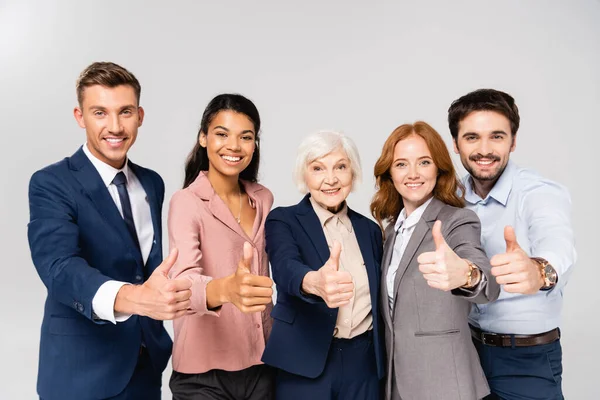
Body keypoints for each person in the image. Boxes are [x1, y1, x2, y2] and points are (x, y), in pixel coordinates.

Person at [27, 62, 192, 400]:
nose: (115, 126)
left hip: (144, 366)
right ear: (80, 116)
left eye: (125, 112)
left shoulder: (152, 183)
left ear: (140, 115)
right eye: (100, 112)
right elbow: (59, 268)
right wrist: (136, 299)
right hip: (81, 373)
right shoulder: (52, 183)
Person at [448, 89, 576, 400]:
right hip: (465, 354)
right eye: (472, 138)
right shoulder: (451, 197)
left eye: (497, 136)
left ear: (513, 141)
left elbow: (558, 243)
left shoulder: (539, 192)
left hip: (526, 360)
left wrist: (539, 271)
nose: (484, 149)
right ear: (456, 144)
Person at [370, 121, 500, 400]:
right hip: (398, 385)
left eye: (424, 162)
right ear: (389, 173)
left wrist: (467, 275)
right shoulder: (393, 231)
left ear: (438, 169)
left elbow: (487, 283)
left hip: (446, 385)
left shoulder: (456, 221)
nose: (413, 174)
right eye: (401, 164)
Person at [167, 94, 275, 400]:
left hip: (261, 364)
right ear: (203, 138)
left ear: (255, 144)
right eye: (222, 134)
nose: (234, 146)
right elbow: (182, 282)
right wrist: (227, 289)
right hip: (204, 374)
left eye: (246, 137)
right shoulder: (186, 202)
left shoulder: (263, 199)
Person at [262, 131, 385, 400]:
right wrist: (313, 282)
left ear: (352, 173)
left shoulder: (370, 231)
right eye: (318, 168)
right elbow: (285, 267)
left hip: (363, 364)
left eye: (340, 167)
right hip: (304, 361)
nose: (331, 179)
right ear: (304, 176)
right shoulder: (283, 220)